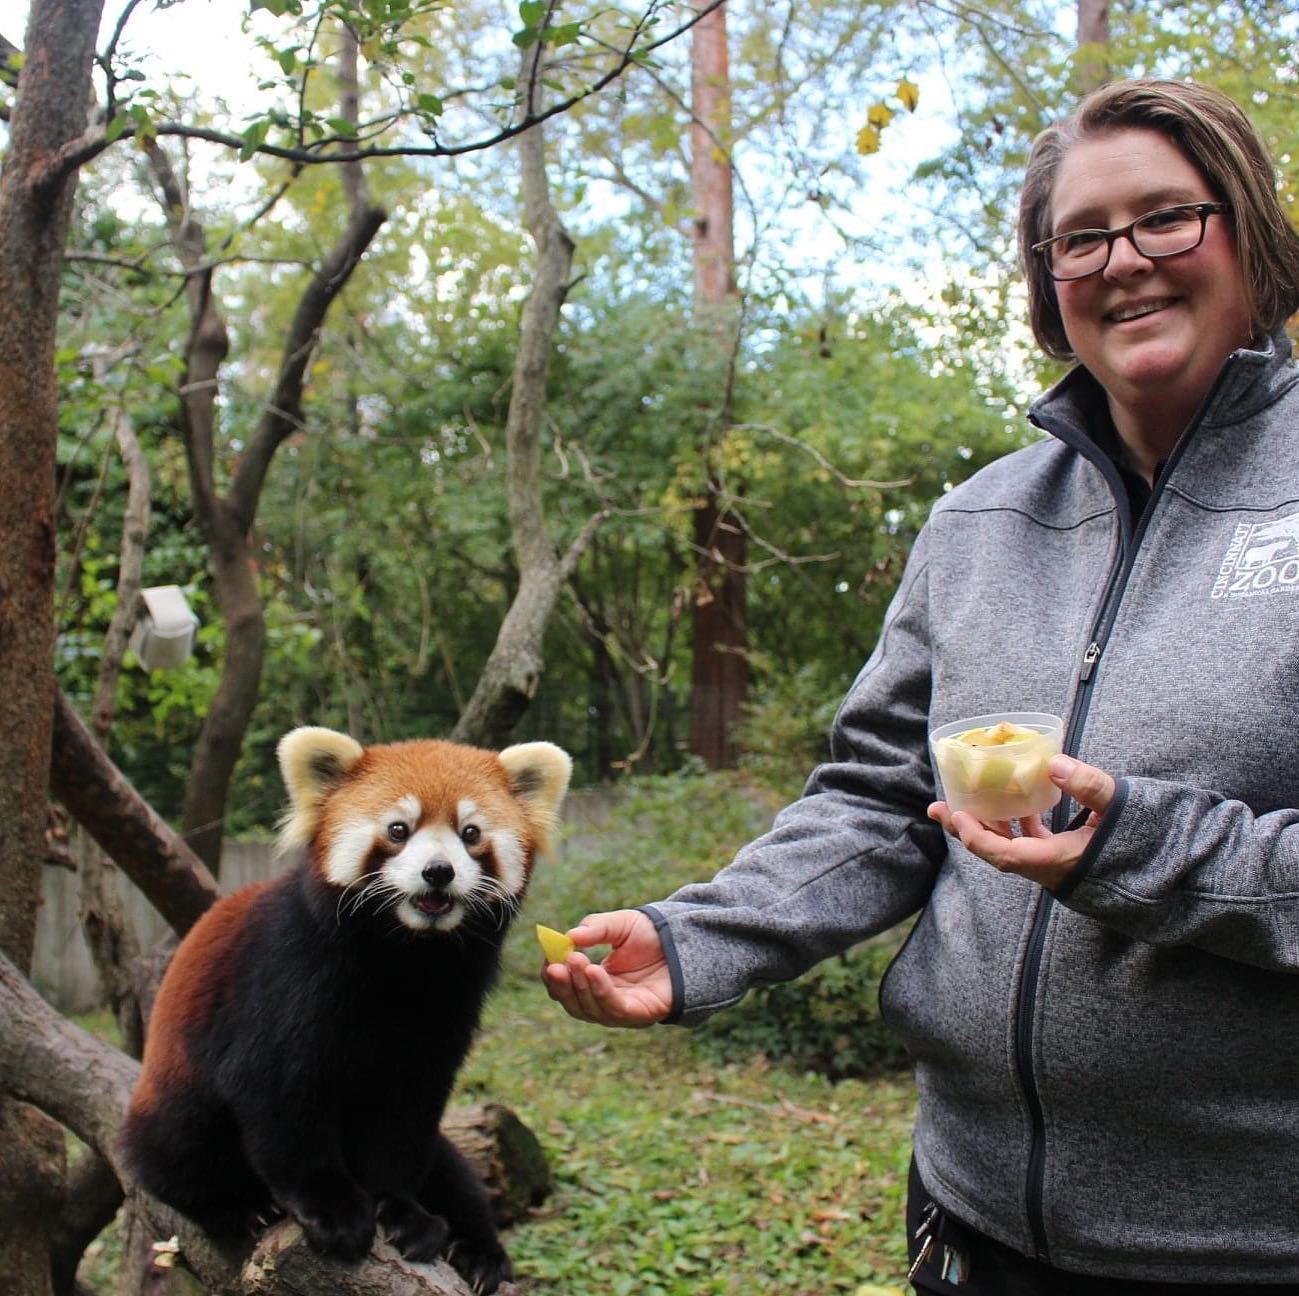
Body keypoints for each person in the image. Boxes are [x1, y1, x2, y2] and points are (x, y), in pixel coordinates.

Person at [543, 78, 1299, 1294]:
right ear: (1050, 287)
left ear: (1252, 238)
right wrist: (695, 940)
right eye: (1082, 238)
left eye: (1169, 218)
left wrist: (1140, 848)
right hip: (974, 1215)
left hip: (1247, 1247)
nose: (1125, 263)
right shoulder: (982, 521)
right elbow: (879, 800)